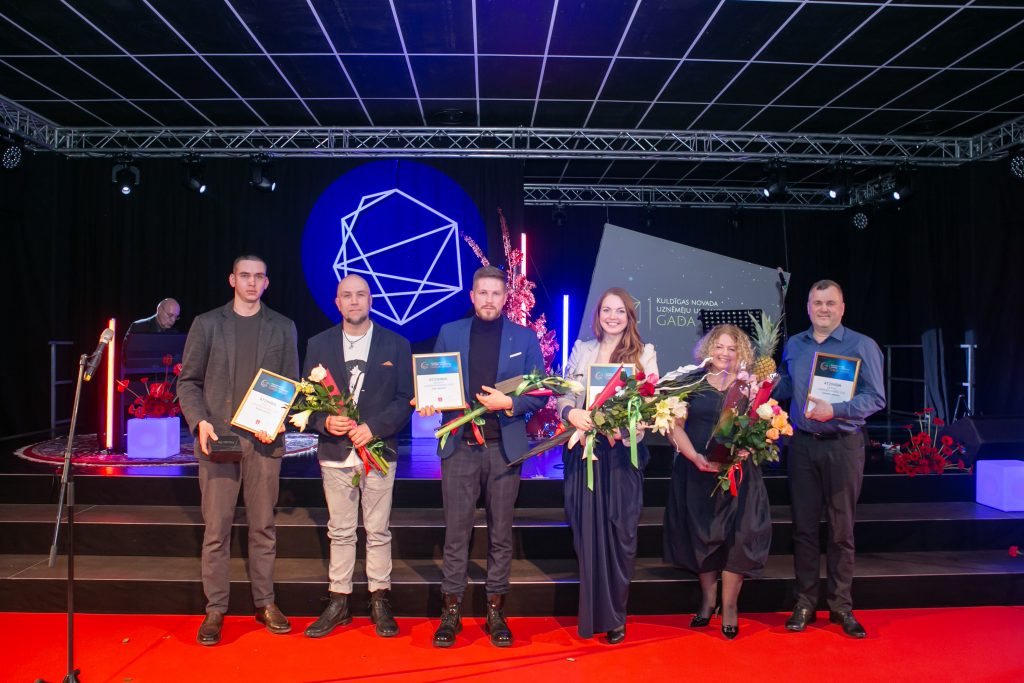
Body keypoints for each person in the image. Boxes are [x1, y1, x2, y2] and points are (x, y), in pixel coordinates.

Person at [416, 265, 546, 648]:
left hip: (503, 450)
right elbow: (433, 384)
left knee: (501, 535)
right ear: (472, 296)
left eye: (496, 293)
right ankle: (451, 611)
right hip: (460, 448)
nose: (489, 300)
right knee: (456, 534)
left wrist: (510, 403)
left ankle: (495, 610)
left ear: (505, 297)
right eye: (483, 293)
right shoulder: (450, 332)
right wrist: (429, 401)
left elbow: (541, 393)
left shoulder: (524, 337)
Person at [177, 255, 299, 646]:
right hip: (219, 440)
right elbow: (188, 383)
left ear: (266, 283)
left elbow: (291, 385)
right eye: (244, 275)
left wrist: (281, 417)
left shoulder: (283, 327)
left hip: (264, 441)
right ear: (232, 279)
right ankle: (215, 608)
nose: (251, 282)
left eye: (258, 277)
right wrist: (200, 422)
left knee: (263, 527)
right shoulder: (207, 324)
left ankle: (266, 603)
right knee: (217, 530)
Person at [301, 274, 413, 639]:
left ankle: (380, 598)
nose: (353, 301)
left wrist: (374, 428)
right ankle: (339, 601)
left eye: (360, 295)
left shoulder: (396, 344)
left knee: (378, 530)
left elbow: (405, 400)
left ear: (370, 300)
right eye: (346, 295)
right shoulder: (318, 344)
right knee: (340, 531)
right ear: (337, 302)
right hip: (335, 453)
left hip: (378, 452)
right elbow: (305, 401)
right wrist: (323, 421)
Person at [776, 280, 884, 639]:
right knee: (804, 529)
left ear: (842, 307)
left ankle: (841, 606)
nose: (823, 309)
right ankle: (805, 603)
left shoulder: (862, 345)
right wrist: (761, 381)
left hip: (843, 446)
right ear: (808, 307)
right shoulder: (795, 344)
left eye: (830, 303)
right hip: (803, 446)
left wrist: (835, 409)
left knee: (841, 531)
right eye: (817, 302)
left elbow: (876, 397)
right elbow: (788, 386)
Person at [556, 287, 658, 644]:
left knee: (621, 535)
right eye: (606, 311)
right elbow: (565, 394)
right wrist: (571, 413)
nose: (612, 317)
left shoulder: (645, 353)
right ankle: (592, 613)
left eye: (619, 311)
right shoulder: (582, 349)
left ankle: (616, 616)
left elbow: (650, 406)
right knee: (586, 537)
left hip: (622, 457)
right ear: (597, 316)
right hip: (585, 454)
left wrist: (628, 426)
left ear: (630, 317)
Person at [663, 324, 771, 640]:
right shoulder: (690, 382)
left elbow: (763, 426)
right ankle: (708, 600)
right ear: (709, 348)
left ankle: (731, 605)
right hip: (697, 471)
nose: (724, 353)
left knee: (739, 537)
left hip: (739, 474)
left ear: (742, 352)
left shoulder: (751, 386)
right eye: (719, 346)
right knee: (702, 536)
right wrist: (693, 456)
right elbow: (673, 426)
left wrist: (748, 448)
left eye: (732, 348)